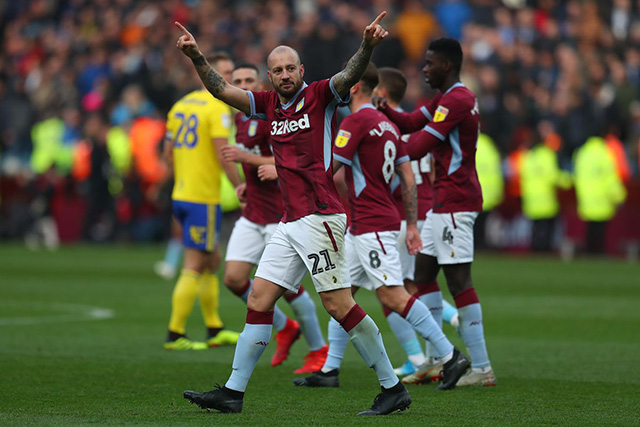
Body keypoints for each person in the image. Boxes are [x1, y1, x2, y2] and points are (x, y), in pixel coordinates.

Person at [175, 13, 415, 416]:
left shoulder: (321, 94)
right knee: (259, 297)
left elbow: (349, 73)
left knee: (339, 306)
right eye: (278, 70)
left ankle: (392, 388)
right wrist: (197, 56)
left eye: (290, 68)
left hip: (321, 218)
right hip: (290, 221)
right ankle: (233, 392)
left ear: (301, 70)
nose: (285, 75)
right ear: (270, 76)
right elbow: (223, 91)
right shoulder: (268, 104)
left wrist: (368, 47)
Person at [293, 63, 469, 390]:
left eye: (347, 82)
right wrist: (412, 225)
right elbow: (408, 176)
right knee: (340, 293)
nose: (341, 87)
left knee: (392, 295)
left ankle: (449, 356)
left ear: (356, 86)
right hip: (371, 223)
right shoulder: (387, 125)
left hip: (372, 224)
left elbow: (336, 172)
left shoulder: (356, 121)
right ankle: (331, 370)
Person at [377, 38, 496, 387]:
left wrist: (381, 142)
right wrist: (384, 111)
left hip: (457, 202)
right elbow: (411, 121)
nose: (424, 69)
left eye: (429, 64)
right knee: (424, 275)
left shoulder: (458, 99)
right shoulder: (445, 99)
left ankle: (482, 368)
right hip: (441, 204)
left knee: (459, 282)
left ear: (446, 65)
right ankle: (432, 359)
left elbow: (418, 144)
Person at [219, 62, 328, 374]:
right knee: (234, 279)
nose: (243, 84)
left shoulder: (273, 113)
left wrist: (252, 160)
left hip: (280, 214)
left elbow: (291, 156)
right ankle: (285, 327)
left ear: (262, 82)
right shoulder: (240, 118)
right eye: (237, 80)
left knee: (291, 289)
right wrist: (242, 182)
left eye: (249, 79)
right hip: (253, 212)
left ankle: (318, 349)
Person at [162, 52, 243, 350]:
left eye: (230, 72)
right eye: (224, 72)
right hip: (202, 199)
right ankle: (175, 334)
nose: (229, 78)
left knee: (212, 261)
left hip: (182, 195)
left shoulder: (180, 105)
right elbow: (224, 153)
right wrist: (240, 187)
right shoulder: (217, 108)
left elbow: (167, 154)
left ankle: (214, 328)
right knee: (195, 264)